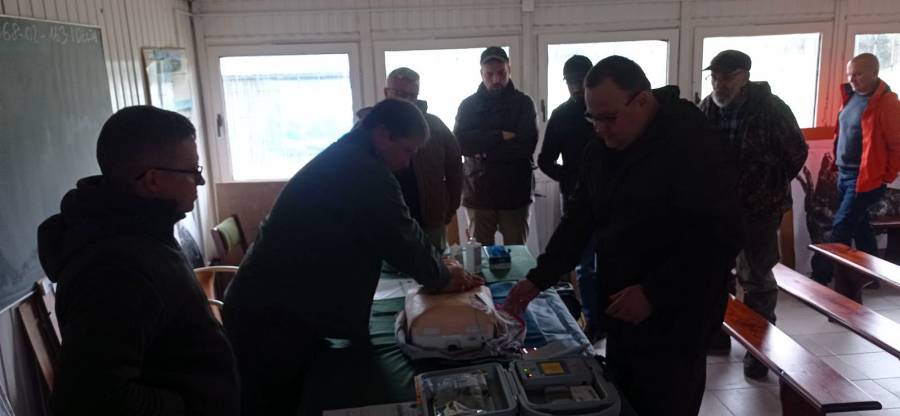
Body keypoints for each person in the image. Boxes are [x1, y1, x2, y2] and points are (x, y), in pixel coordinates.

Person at [503, 56, 743, 415]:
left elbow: (721, 236)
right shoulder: (603, 147)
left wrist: (653, 292)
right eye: (593, 118)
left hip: (677, 314)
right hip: (622, 307)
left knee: (665, 403)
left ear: (642, 101)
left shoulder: (694, 144)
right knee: (624, 400)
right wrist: (539, 278)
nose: (600, 128)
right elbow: (579, 219)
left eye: (608, 117)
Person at [223, 99, 483, 416]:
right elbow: (401, 237)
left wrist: (437, 268)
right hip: (270, 318)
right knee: (274, 405)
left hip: (279, 307)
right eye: (407, 151)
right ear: (383, 134)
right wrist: (442, 277)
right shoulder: (364, 171)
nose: (406, 163)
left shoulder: (351, 155)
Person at [37, 106, 239, 415]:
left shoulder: (145, 235)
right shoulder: (116, 269)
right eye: (192, 170)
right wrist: (192, 407)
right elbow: (91, 398)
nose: (200, 180)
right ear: (153, 180)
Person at [698, 49, 808, 379]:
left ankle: (759, 349)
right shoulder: (707, 108)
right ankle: (717, 335)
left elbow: (796, 152)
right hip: (719, 208)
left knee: (756, 277)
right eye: (715, 77)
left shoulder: (771, 109)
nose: (719, 84)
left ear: (744, 77)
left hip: (760, 209)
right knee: (714, 274)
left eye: (727, 77)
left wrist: (768, 185)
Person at [356, 67, 463, 250]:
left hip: (430, 221)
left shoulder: (435, 126)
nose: (405, 100)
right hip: (383, 221)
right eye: (399, 93)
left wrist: (449, 208)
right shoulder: (367, 128)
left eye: (411, 95)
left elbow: (455, 168)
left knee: (435, 265)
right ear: (386, 92)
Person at [537, 54, 603, 339]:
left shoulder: (606, 109)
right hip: (577, 200)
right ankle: (593, 322)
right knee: (585, 266)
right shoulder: (562, 115)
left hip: (614, 198)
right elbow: (545, 160)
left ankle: (611, 320)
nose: (576, 87)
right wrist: (570, 178)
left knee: (614, 262)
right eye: (571, 81)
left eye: (581, 80)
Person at [454, 46, 538, 245]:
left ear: (509, 69)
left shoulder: (524, 104)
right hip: (478, 194)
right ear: (481, 74)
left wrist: (482, 150)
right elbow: (461, 144)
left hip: (515, 194)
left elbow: (526, 146)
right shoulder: (468, 105)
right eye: (489, 74)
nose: (495, 79)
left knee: (517, 255)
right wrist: (500, 136)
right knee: (479, 257)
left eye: (501, 73)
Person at [830, 53, 900, 264]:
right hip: (844, 173)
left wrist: (886, 176)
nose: (852, 79)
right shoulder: (850, 96)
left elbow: (897, 143)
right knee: (860, 228)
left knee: (841, 226)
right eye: (850, 74)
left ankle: (820, 275)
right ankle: (873, 274)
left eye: (858, 74)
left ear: (874, 73)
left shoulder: (887, 102)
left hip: (865, 178)